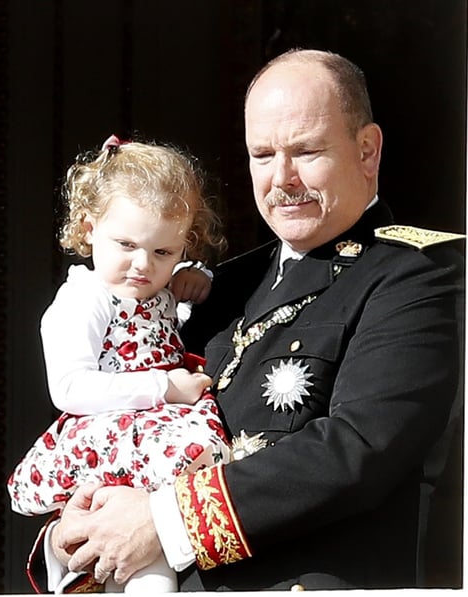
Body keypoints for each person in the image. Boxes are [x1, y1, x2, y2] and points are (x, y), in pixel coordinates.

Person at [39, 48, 464, 591]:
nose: (281, 177)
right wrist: (77, 531)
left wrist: (163, 521)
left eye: (306, 151)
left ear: (366, 150)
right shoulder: (215, 285)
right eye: (262, 155)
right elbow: (129, 423)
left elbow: (359, 448)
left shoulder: (418, 275)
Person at [6, 136, 229, 593]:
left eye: (163, 252)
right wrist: (163, 387)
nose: (142, 265)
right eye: (125, 244)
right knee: (127, 566)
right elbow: (69, 388)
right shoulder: (83, 300)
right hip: (112, 442)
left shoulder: (159, 289)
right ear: (88, 228)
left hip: (159, 436)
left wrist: (195, 276)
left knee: (159, 556)